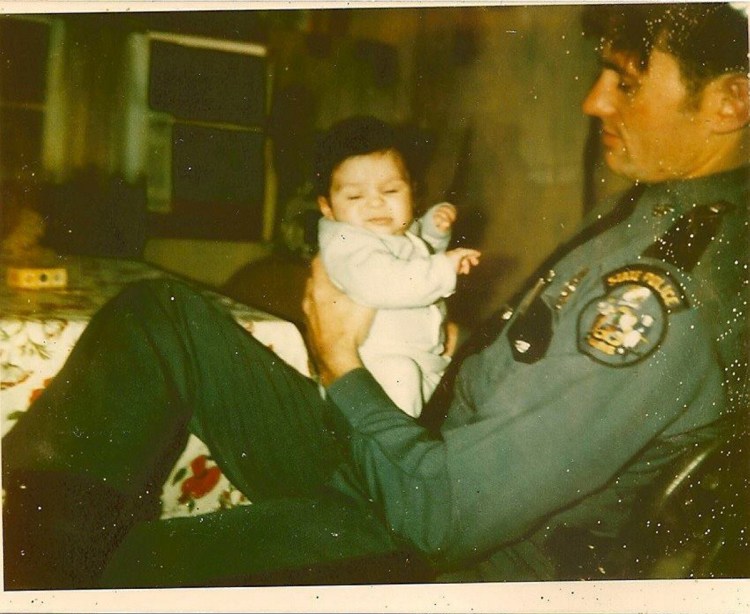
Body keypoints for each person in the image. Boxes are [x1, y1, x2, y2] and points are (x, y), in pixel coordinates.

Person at [2, 2, 748, 589]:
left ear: (729, 102)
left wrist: (338, 362)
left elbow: (442, 516)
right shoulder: (656, 206)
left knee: (134, 567)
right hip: (406, 450)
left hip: (431, 546)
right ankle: (33, 545)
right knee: (158, 316)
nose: (593, 100)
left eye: (626, 80)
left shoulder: (664, 295)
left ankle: (49, 577)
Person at [315, 116, 481, 417]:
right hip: (377, 364)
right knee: (402, 392)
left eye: (391, 191)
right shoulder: (345, 243)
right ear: (327, 207)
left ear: (412, 193)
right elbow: (389, 282)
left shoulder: (392, 234)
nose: (376, 204)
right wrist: (443, 268)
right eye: (355, 196)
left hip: (425, 358)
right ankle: (387, 459)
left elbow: (413, 256)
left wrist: (432, 231)